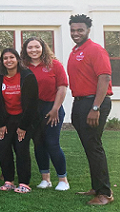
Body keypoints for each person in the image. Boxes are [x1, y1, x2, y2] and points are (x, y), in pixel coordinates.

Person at [67, 14, 114, 205]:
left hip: (94, 103)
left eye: (80, 30)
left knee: (94, 146)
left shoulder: (95, 50)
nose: (76, 33)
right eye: (72, 30)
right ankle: (96, 187)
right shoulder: (75, 50)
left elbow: (104, 78)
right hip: (79, 102)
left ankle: (105, 193)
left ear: (88, 30)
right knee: (89, 146)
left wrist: (95, 107)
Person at [20, 37, 70, 191]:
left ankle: (63, 179)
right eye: (30, 47)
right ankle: (45, 179)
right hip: (33, 110)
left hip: (52, 108)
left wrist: (55, 109)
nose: (33, 50)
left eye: (37, 47)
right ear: (25, 50)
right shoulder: (23, 67)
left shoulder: (54, 64)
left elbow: (62, 87)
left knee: (52, 143)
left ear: (43, 47)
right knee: (39, 143)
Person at [0, 48, 39, 193]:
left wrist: (23, 126)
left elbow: (32, 104)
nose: (8, 60)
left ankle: (24, 183)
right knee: (3, 148)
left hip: (23, 119)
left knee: (21, 149)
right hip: (5, 119)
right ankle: (9, 180)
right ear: (2, 61)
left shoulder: (28, 76)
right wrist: (0, 124)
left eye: (11, 57)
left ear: (18, 59)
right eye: (5, 58)